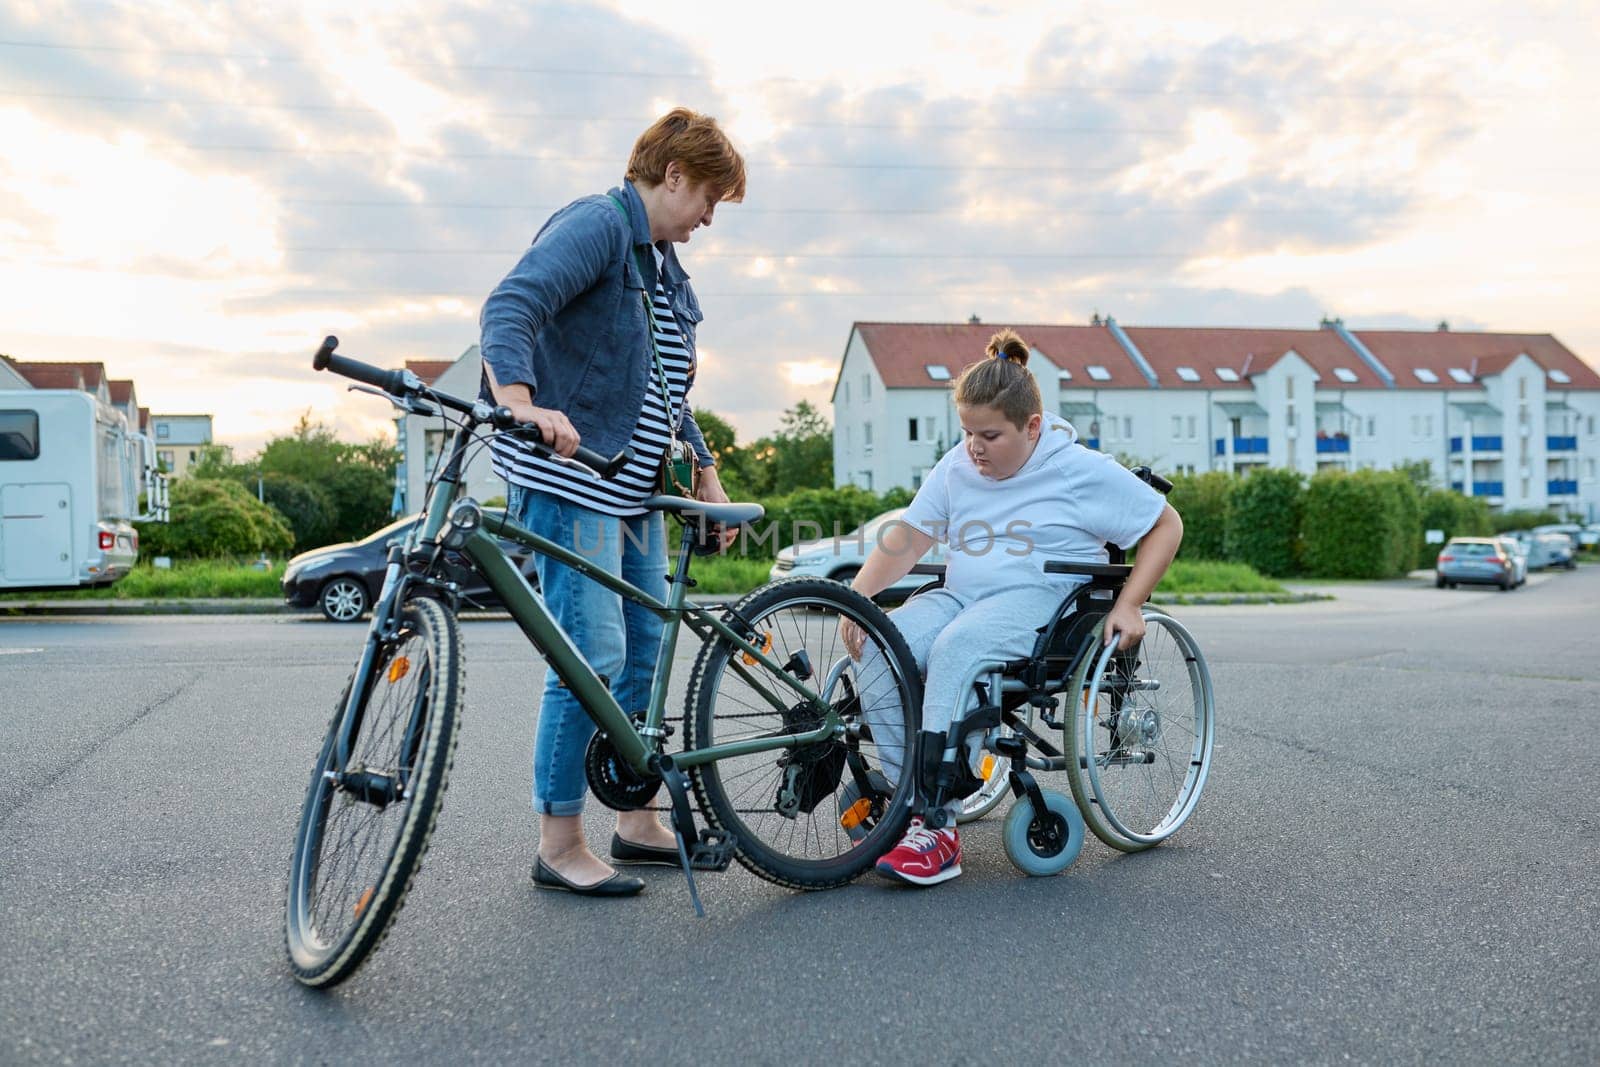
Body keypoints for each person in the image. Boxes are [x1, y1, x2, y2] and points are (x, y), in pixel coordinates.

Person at [478, 108, 746, 897]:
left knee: (644, 657)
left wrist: (704, 464)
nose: (707, 219)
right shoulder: (597, 225)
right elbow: (510, 306)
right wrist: (522, 403)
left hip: (635, 497)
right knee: (588, 660)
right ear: (673, 175)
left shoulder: (662, 265)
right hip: (573, 484)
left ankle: (635, 818)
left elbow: (664, 386)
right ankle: (558, 841)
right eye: (708, 199)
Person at [841, 328, 1183, 886]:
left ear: (1031, 426)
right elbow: (910, 535)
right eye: (968, 432)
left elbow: (1166, 524)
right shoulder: (958, 465)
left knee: (957, 649)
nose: (975, 446)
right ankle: (909, 805)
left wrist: (1131, 603)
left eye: (990, 435)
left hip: (1040, 602)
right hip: (960, 596)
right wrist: (858, 598)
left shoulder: (1078, 469)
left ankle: (937, 826)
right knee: (881, 642)